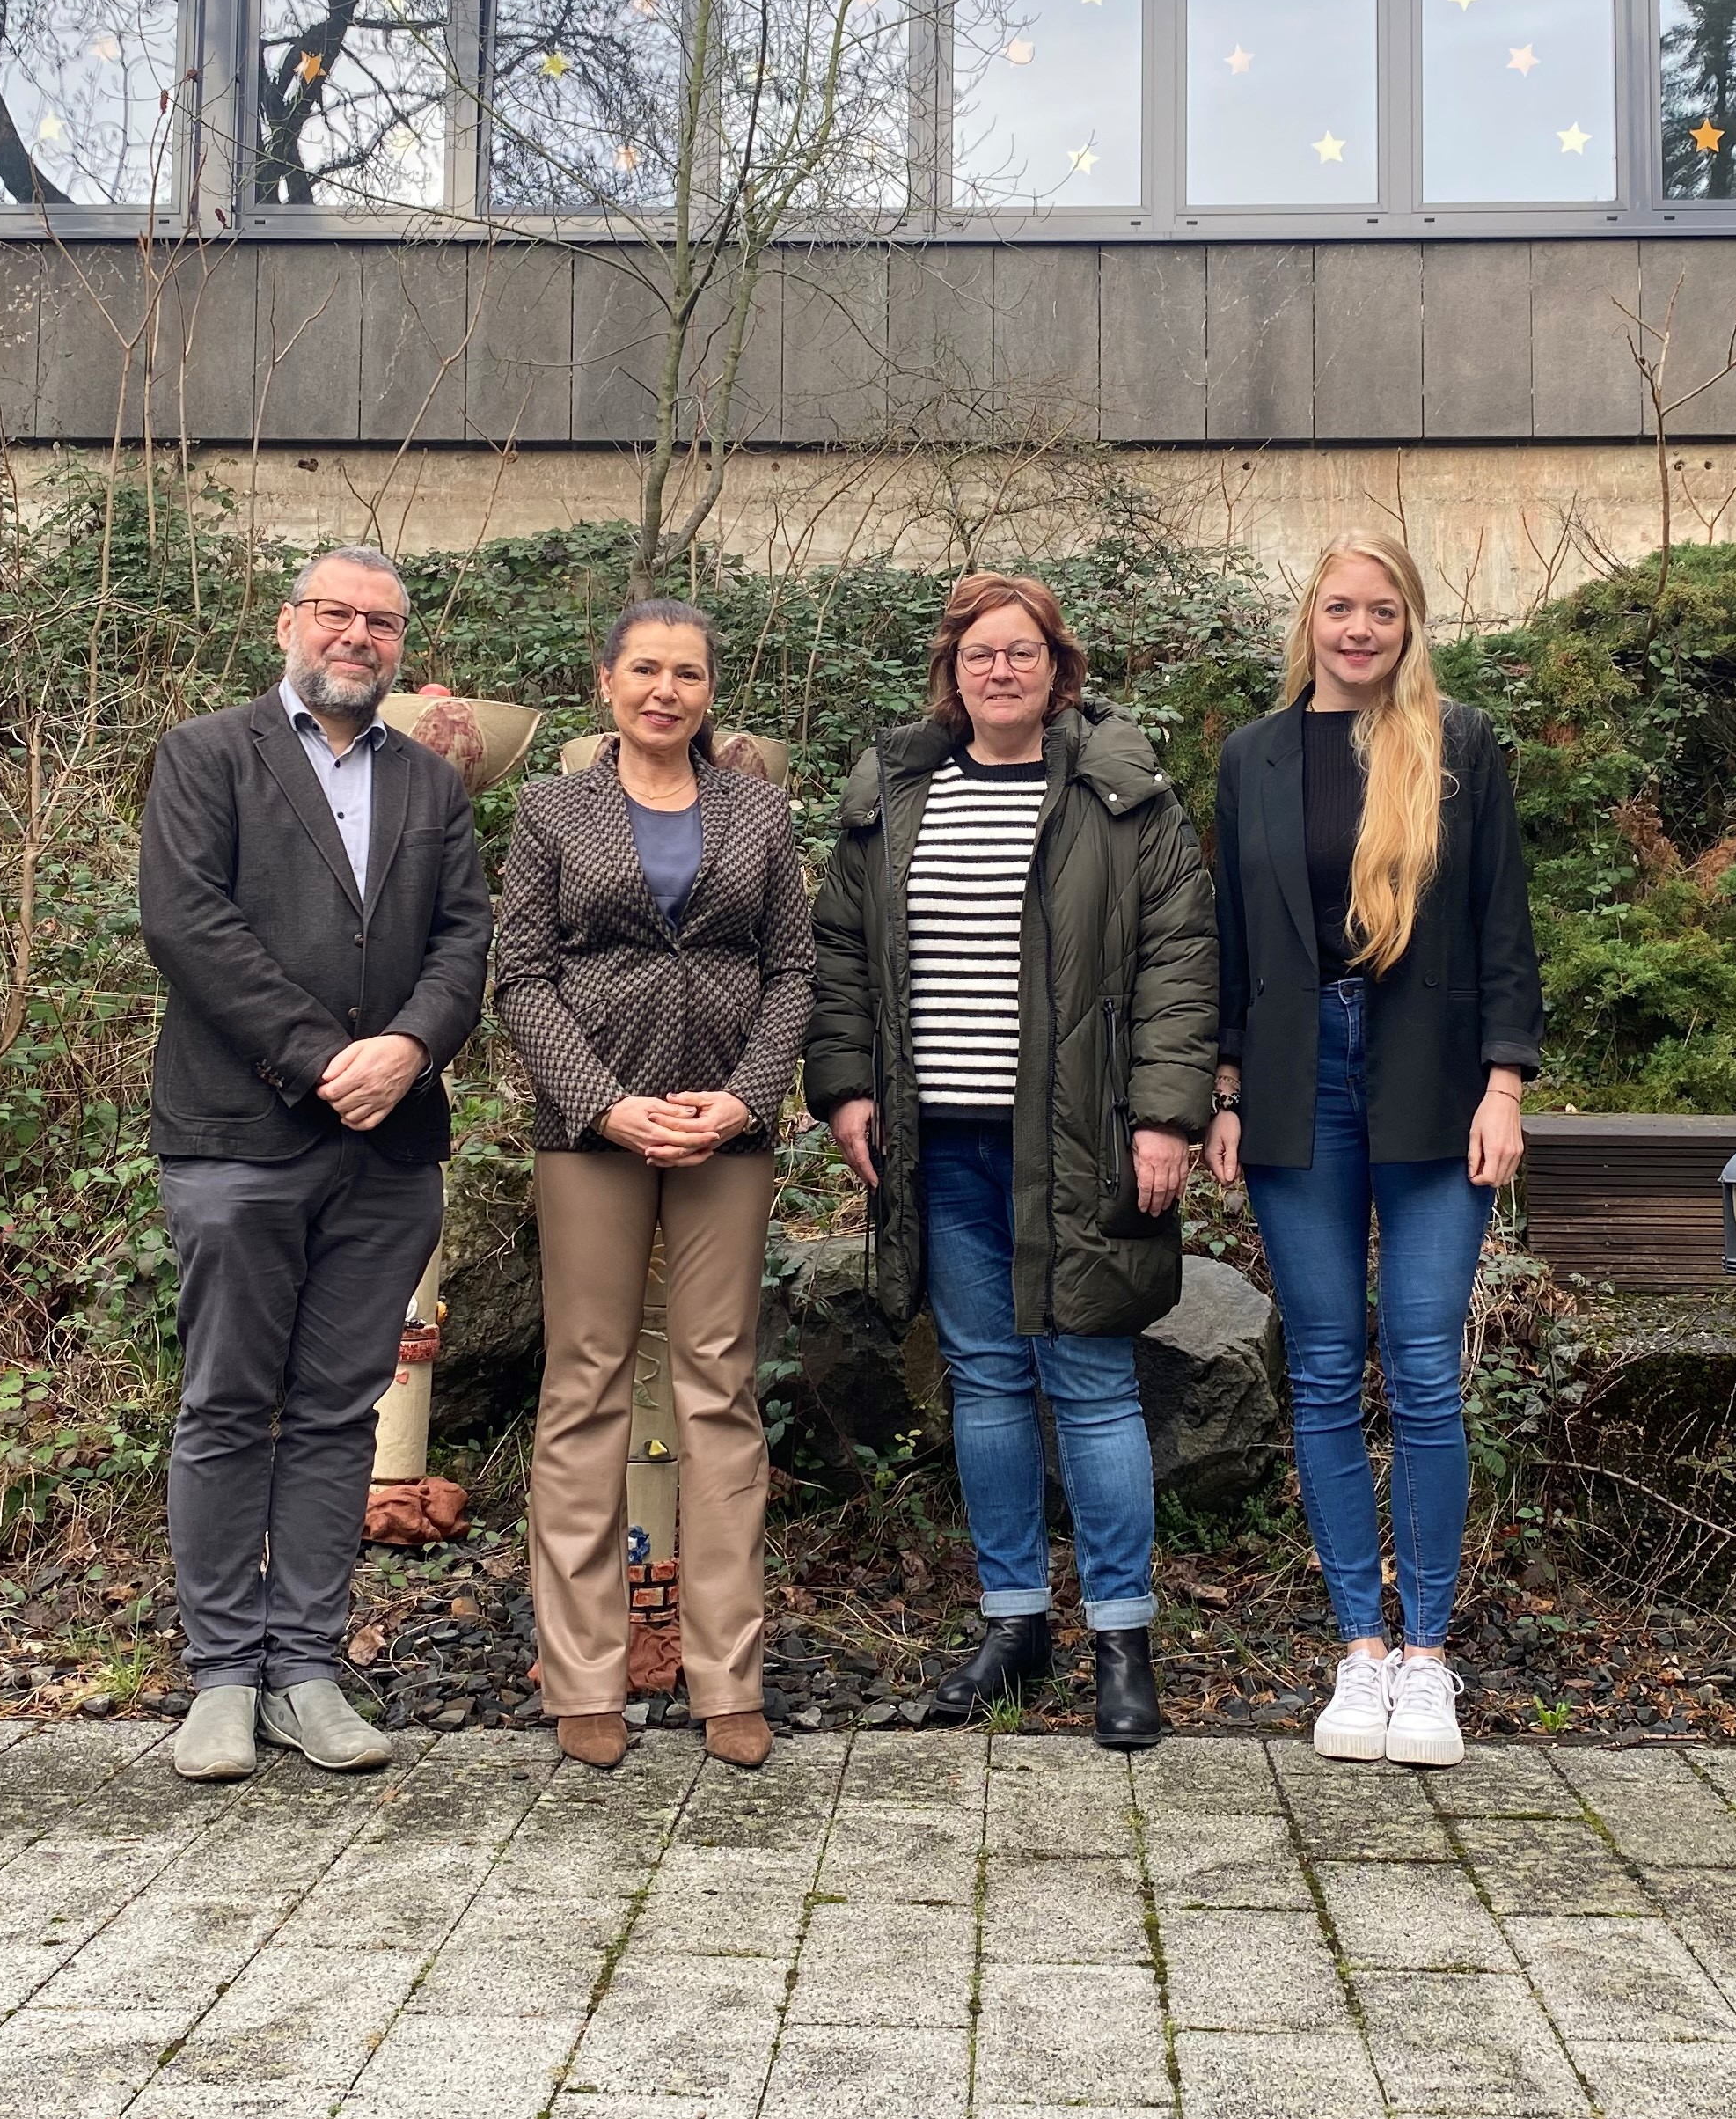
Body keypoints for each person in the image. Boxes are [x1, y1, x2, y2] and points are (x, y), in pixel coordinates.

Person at [807, 572, 1216, 1752]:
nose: (1001, 671)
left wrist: (1164, 1117)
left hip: (1082, 1141)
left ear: (1058, 668)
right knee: (984, 1382)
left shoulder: (1120, 795)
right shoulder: (895, 794)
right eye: (980, 653)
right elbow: (843, 957)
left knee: (1088, 1382)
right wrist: (843, 1094)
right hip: (942, 1143)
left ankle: (1123, 1641)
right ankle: (1014, 1625)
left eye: (1022, 653)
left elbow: (1181, 963)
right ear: (953, 668)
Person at [139, 543, 492, 1783]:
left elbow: (464, 939)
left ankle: (308, 1670)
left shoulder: (432, 784)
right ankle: (223, 1678)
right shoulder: (204, 757)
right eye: (337, 615)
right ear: (290, 621)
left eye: (382, 623)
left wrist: (405, 1048)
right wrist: (319, 1056)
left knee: (343, 1411)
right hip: (239, 1138)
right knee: (229, 1407)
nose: (358, 637)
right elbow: (188, 923)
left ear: (403, 644)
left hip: (388, 1150)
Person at [1207, 531, 1539, 1771]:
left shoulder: (1460, 746)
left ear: (1410, 624)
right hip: (1299, 1085)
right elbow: (1231, 937)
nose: (1360, 629)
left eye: (1383, 610)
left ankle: (1430, 1659)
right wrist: (1228, 1086)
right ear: (1313, 618)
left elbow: (1504, 919)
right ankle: (1358, 1649)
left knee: (1425, 1373)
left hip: (1435, 1084)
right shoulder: (1255, 756)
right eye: (1341, 608)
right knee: (1325, 1372)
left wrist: (1505, 1083)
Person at [496, 599, 814, 1775]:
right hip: (593, 1132)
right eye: (644, 669)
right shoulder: (551, 810)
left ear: (709, 692)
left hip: (725, 1130)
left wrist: (744, 1096)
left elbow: (794, 969)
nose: (664, 690)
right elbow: (521, 976)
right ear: (607, 683)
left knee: (717, 1387)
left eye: (686, 673)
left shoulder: (759, 811)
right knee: (585, 1383)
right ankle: (582, 1673)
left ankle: (725, 1673)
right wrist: (602, 1101)